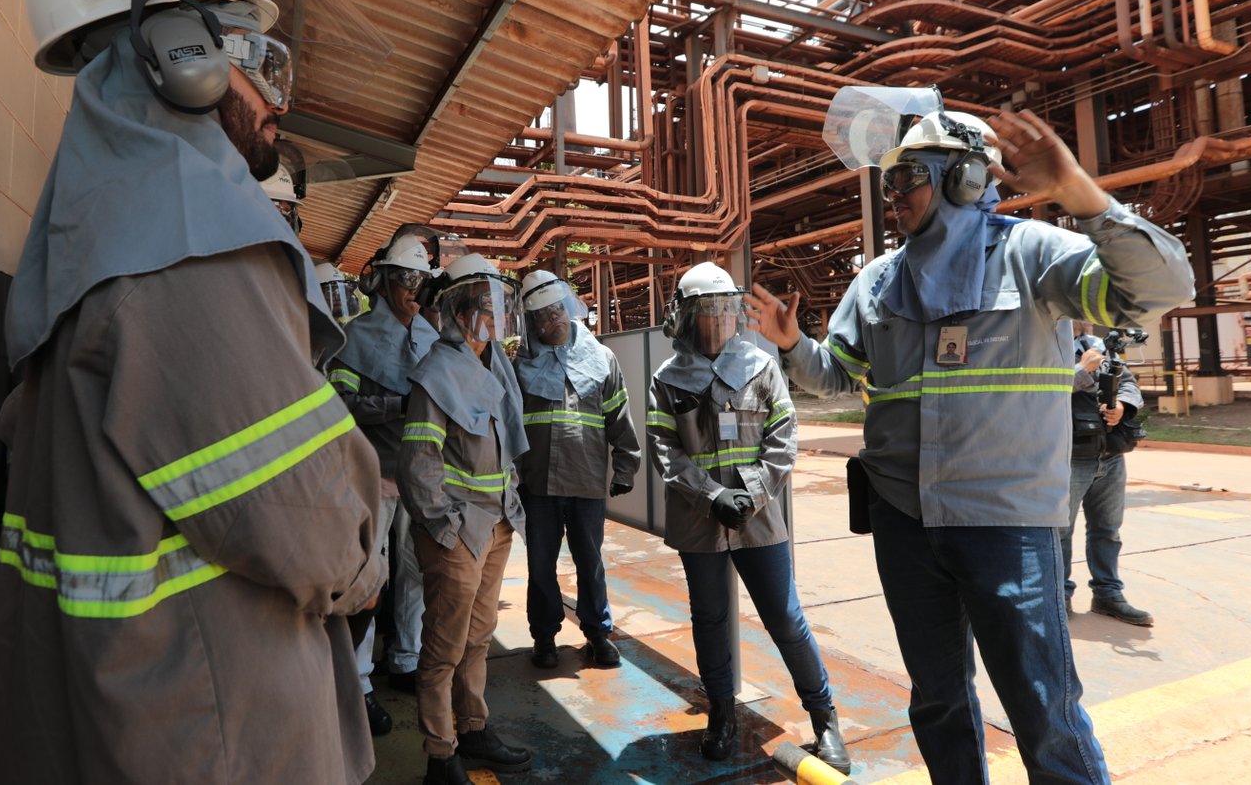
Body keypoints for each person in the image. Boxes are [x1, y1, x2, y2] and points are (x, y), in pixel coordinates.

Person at [0, 0, 386, 785]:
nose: (273, 96)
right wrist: (370, 538)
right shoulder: (184, 241)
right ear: (177, 53)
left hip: (144, 710)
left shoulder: (106, 219)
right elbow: (311, 525)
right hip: (219, 727)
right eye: (248, 53)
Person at [746, 102, 1195, 784]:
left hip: (1006, 521)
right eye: (889, 183)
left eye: (909, 180)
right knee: (937, 699)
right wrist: (794, 346)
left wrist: (1085, 197)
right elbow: (838, 374)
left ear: (962, 178)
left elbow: (1161, 288)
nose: (894, 197)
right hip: (904, 520)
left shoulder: (1034, 256)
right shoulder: (879, 281)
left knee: (1045, 709)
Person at [648, 261, 851, 773]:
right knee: (710, 620)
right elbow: (664, 450)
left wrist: (751, 495)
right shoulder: (666, 381)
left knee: (786, 619)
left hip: (759, 523)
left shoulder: (761, 367)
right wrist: (713, 495)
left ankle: (825, 720)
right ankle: (720, 713)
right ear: (686, 317)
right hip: (700, 522)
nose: (717, 320)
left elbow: (784, 439)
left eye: (724, 310)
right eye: (706, 311)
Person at [398, 254, 533, 785]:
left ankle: (474, 730)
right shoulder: (436, 373)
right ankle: (440, 755)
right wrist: (446, 528)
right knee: (442, 650)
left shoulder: (493, 362)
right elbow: (419, 464)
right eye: (483, 306)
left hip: (496, 523)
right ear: (458, 310)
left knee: (478, 637)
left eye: (498, 305)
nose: (493, 316)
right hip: (458, 532)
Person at [328, 234, 439, 735]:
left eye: (420, 279)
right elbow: (341, 408)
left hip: (421, 478)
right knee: (369, 581)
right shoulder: (355, 337)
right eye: (405, 279)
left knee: (416, 574)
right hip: (373, 478)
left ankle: (407, 660)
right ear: (386, 282)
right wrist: (397, 406)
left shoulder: (432, 337)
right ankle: (360, 683)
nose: (413, 288)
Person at [512, 270, 642, 670]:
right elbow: (509, 423)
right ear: (530, 321)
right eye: (542, 316)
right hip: (537, 485)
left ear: (568, 308)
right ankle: (544, 637)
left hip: (586, 479)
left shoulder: (601, 358)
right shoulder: (518, 363)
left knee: (590, 561)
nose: (552, 321)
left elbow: (620, 416)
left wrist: (625, 467)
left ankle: (598, 634)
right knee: (540, 565)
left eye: (556, 311)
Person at [1065, 330, 1152, 626]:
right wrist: (1081, 370)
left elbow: (1128, 383)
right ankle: (1058, 596)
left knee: (1108, 529)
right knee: (1060, 531)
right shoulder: (1041, 343)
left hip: (1111, 454)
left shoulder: (1099, 345)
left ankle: (1108, 594)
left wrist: (1122, 407)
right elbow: (1039, 391)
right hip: (1070, 455)